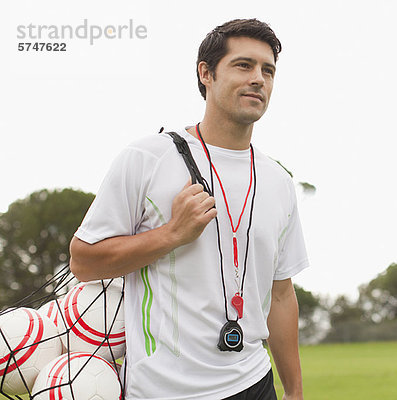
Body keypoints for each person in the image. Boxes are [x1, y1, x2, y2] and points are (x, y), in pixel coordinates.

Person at [69, 18, 308, 400]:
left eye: (268, 70)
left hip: (253, 382)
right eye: (243, 65)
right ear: (206, 74)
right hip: (162, 391)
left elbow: (281, 295)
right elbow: (83, 261)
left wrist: (294, 391)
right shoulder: (147, 157)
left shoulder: (278, 181)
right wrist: (171, 235)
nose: (259, 79)